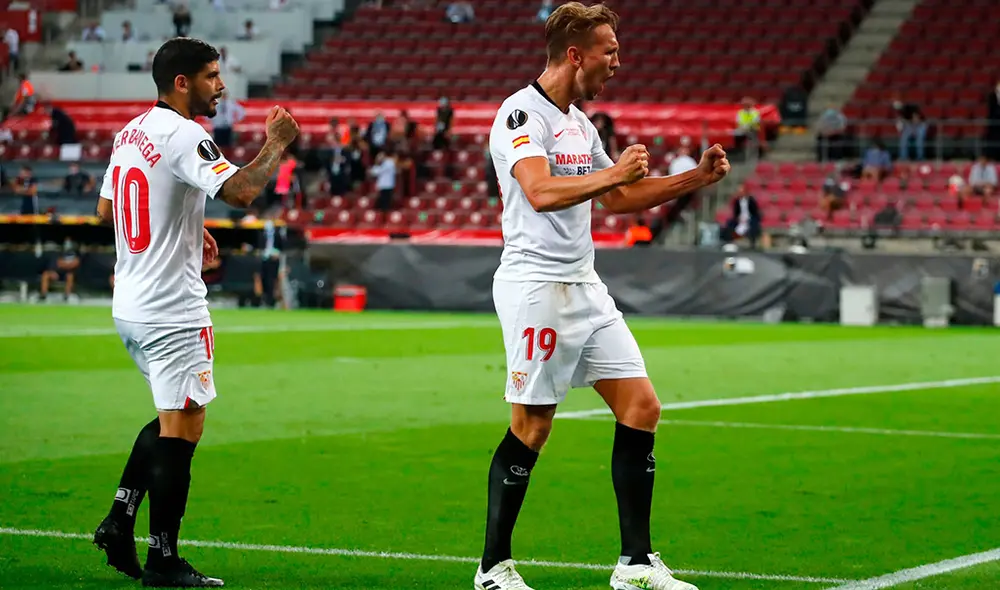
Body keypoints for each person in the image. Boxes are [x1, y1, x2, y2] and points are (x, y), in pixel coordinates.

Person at [477, 4, 729, 590]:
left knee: (642, 407)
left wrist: (695, 178)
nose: (617, 62)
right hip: (535, 285)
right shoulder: (521, 113)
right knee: (533, 425)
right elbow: (539, 191)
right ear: (575, 54)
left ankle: (635, 566)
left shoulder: (580, 124)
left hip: (585, 284)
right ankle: (492, 568)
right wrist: (613, 175)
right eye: (609, 51)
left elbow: (615, 201)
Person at [91, 37, 299, 587]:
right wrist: (276, 144)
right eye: (211, 76)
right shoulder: (187, 135)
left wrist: (183, 222)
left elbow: (107, 207)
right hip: (171, 308)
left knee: (171, 418)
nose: (221, 86)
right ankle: (162, 558)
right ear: (181, 82)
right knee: (183, 430)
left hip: (130, 305)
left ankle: (119, 518)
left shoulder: (129, 132)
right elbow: (244, 191)